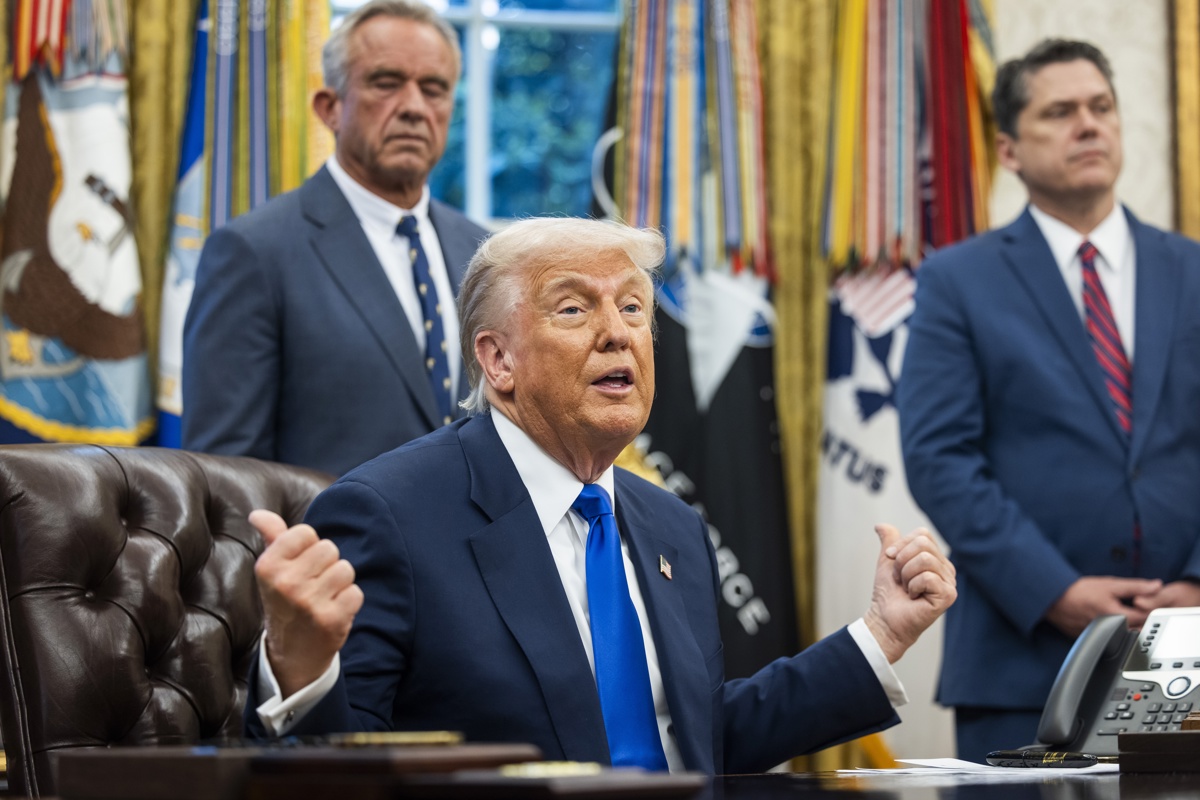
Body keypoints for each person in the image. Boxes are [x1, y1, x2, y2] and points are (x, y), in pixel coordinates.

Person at [243, 217, 957, 774]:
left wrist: (881, 634)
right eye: (575, 310)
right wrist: (302, 669)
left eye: (634, 308)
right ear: (497, 359)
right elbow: (340, 768)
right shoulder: (387, 513)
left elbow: (699, 738)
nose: (619, 333)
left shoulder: (669, 523)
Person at [897, 38, 1200, 762]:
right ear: (1009, 149)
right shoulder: (956, 281)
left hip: (1190, 649)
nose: (1088, 125)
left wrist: (1196, 582)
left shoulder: (1192, 270)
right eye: (1060, 112)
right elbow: (939, 459)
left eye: (1101, 107)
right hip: (1025, 660)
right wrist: (1054, 590)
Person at [182, 0, 488, 476]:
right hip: (333, 549)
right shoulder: (254, 252)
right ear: (330, 108)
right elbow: (226, 476)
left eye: (434, 89)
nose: (412, 107)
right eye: (386, 83)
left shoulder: (482, 252)